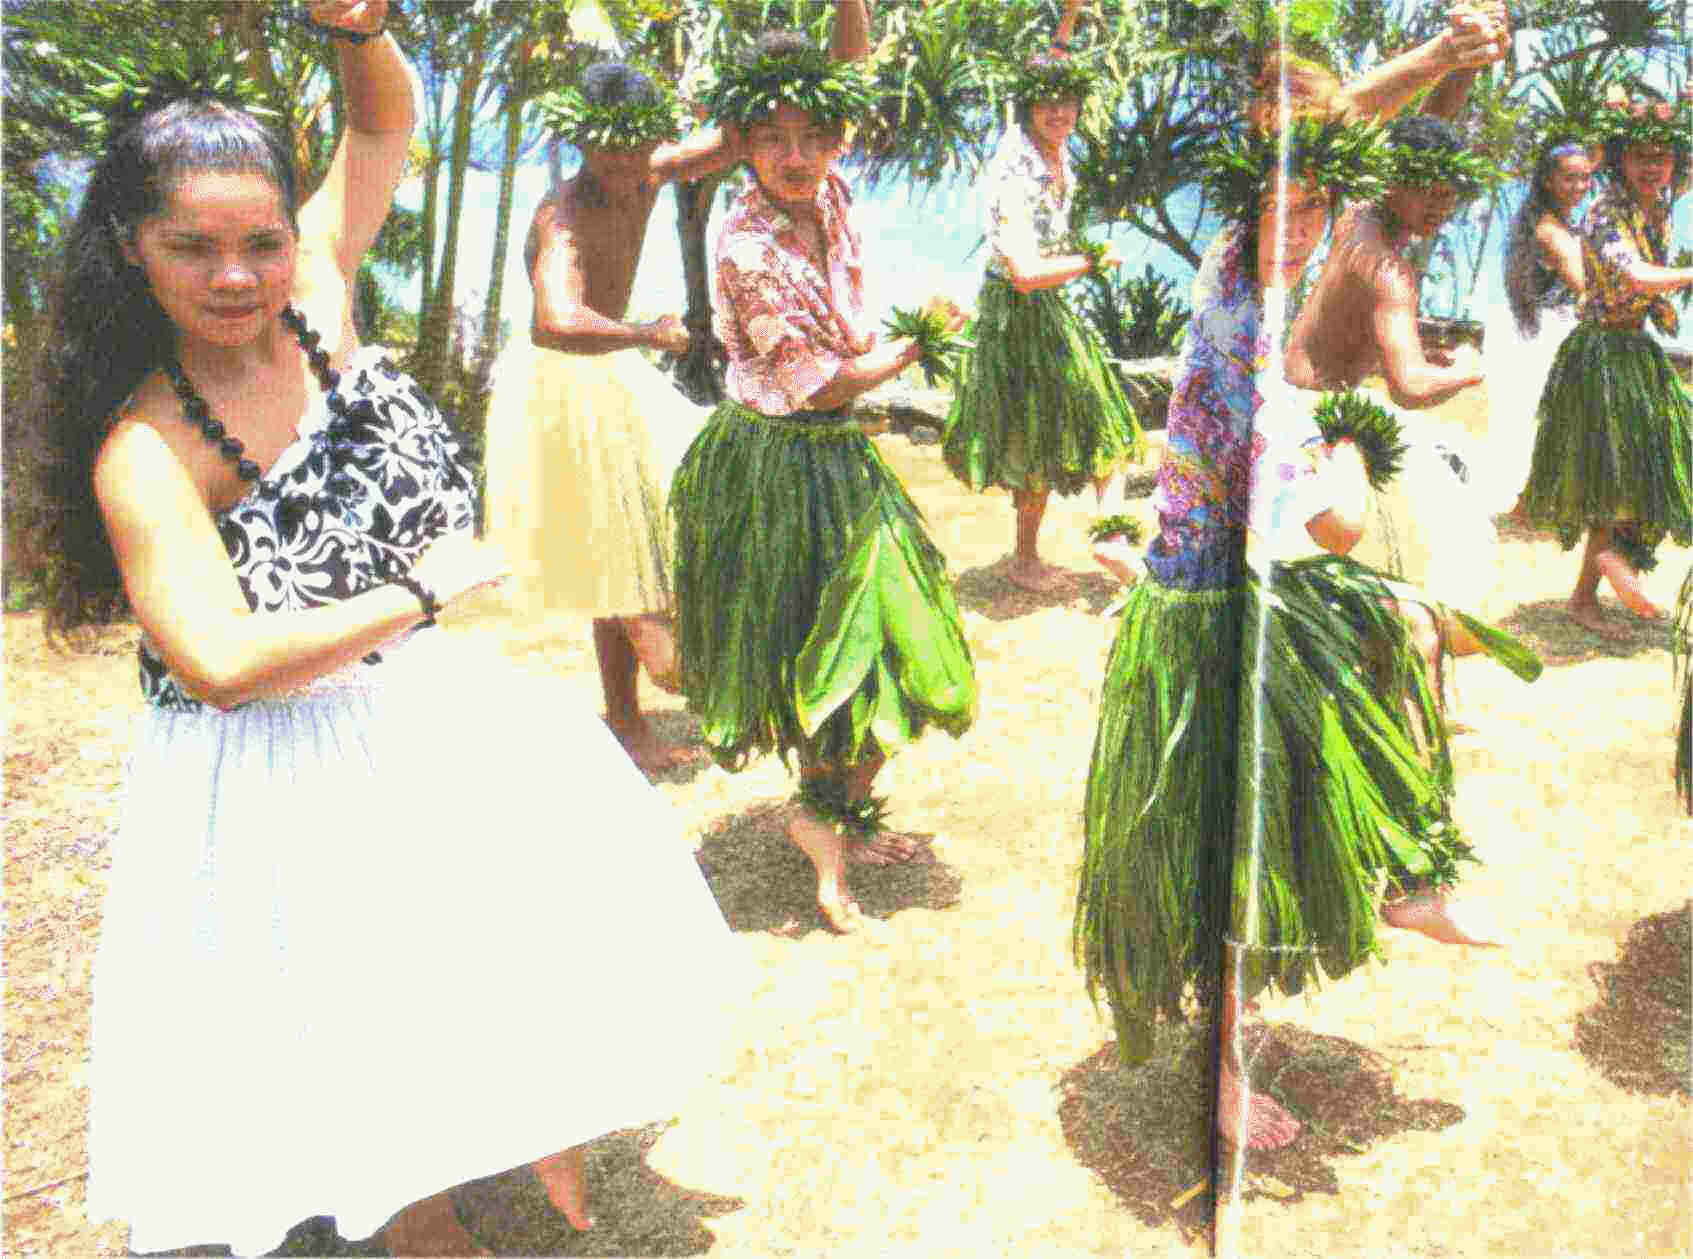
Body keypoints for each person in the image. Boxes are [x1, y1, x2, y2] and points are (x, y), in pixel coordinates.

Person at [40, 7, 742, 1254]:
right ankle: (419, 1216)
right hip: (273, 755)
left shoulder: (317, 289)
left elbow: (380, 121)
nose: (237, 274)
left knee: (519, 915)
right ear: (130, 250)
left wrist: (353, 31)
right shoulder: (145, 450)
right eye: (190, 247)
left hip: (412, 701)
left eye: (258, 239)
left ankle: (537, 1121)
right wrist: (424, 591)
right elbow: (219, 663)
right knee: (359, 996)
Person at [1074, 77, 1537, 1159]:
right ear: (1247, 213)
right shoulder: (1241, 311)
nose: (1297, 225)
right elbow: (1330, 523)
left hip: (1261, 578)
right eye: (1277, 207)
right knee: (1234, 841)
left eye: (1315, 205)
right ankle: (1225, 1073)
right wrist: (1347, 447)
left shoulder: (1257, 261)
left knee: (1415, 636)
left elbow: (1333, 149)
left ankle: (1407, 877)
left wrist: (1441, 58)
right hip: (1205, 611)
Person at [670, 20, 976, 934]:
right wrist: (919, 342)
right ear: (745, 146)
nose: (795, 156)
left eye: (812, 136)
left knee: (888, 638)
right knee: (808, 637)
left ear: (838, 139)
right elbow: (822, 380)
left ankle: (832, 809)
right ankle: (824, 829)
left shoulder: (832, 192)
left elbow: (853, 66)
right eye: (771, 140)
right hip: (773, 459)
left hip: (835, 451)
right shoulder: (745, 247)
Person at [482, 34, 858, 777]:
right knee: (610, 552)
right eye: (604, 157)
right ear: (583, 146)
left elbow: (742, 132)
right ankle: (628, 708)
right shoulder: (561, 213)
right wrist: (645, 332)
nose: (622, 172)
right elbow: (553, 319)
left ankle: (662, 654)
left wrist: (801, 57)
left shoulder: (653, 167)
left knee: (667, 516)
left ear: (653, 140)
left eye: (635, 154)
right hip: (560, 381)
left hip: (615, 370)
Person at [939, 16, 1143, 594]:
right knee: (1036, 432)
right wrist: (1094, 261)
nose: (1059, 112)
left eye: (1069, 101)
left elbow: (1051, 56)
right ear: (1027, 109)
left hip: (1047, 308)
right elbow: (1026, 273)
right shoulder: (1013, 167)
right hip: (1016, 312)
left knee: (1096, 414)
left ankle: (1108, 537)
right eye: (1047, 104)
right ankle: (1045, 556)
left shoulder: (1054, 149)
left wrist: (1070, 15)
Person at [1285, 113, 1509, 634]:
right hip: (1317, 417)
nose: (1438, 205)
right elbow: (1409, 387)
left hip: (1299, 395)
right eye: (1425, 191)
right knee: (1427, 572)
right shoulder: (1390, 271)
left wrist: (1467, 60)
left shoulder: (1359, 218)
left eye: (1448, 193)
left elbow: (1435, 114)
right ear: (1392, 179)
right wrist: (1468, 372)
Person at [1519, 90, 1693, 637]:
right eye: (1640, 157)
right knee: (1613, 477)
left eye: (1662, 158)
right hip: (1601, 354)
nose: (1652, 167)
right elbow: (1632, 275)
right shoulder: (1605, 212)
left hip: (1635, 347)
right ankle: (1587, 595)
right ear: (1619, 159)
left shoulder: (1657, 207)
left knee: (1665, 461)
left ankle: (1615, 565)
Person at [1488, 132, 1597, 518]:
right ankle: (1526, 503)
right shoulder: (1550, 229)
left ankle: (1531, 501)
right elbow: (1585, 283)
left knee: (1546, 419)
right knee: (1538, 420)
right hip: (1542, 333)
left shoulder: (1555, 222)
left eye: (1585, 177)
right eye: (1570, 177)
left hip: (1542, 329)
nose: (1579, 186)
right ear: (1548, 180)